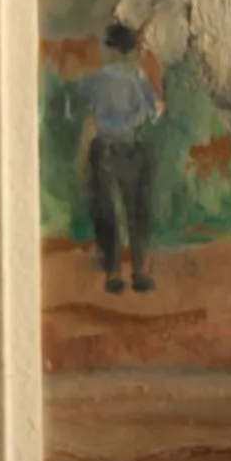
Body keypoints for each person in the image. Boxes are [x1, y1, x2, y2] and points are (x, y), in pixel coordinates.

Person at [75, 19, 161, 294]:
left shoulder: (95, 80)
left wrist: (83, 151)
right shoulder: (138, 80)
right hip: (131, 147)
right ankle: (139, 271)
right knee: (137, 211)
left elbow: (84, 111)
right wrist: (137, 115)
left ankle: (113, 272)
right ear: (131, 51)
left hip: (104, 147)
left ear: (110, 49)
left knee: (106, 212)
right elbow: (154, 111)